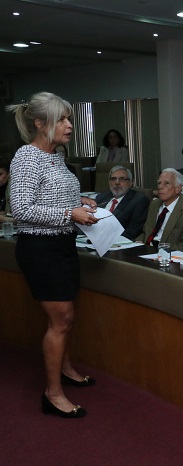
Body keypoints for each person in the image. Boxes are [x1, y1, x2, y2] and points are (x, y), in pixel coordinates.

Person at [7, 92, 100, 418]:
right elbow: (21, 209)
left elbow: (52, 195)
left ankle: (66, 368)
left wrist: (81, 201)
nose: (69, 125)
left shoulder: (56, 156)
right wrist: (69, 213)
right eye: (61, 119)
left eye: (68, 118)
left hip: (62, 246)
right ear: (39, 123)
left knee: (63, 318)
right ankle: (53, 394)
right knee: (62, 320)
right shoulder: (27, 157)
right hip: (40, 249)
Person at [140, 168, 183, 253]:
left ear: (178, 188)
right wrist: (137, 242)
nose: (160, 187)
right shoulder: (154, 204)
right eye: (159, 183)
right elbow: (146, 232)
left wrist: (159, 248)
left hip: (168, 254)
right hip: (146, 250)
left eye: (167, 183)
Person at [95, 165, 150, 240]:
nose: (117, 182)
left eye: (122, 179)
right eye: (113, 179)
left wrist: (104, 238)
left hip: (116, 242)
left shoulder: (139, 200)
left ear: (130, 183)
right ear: (109, 182)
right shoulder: (101, 197)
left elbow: (133, 231)